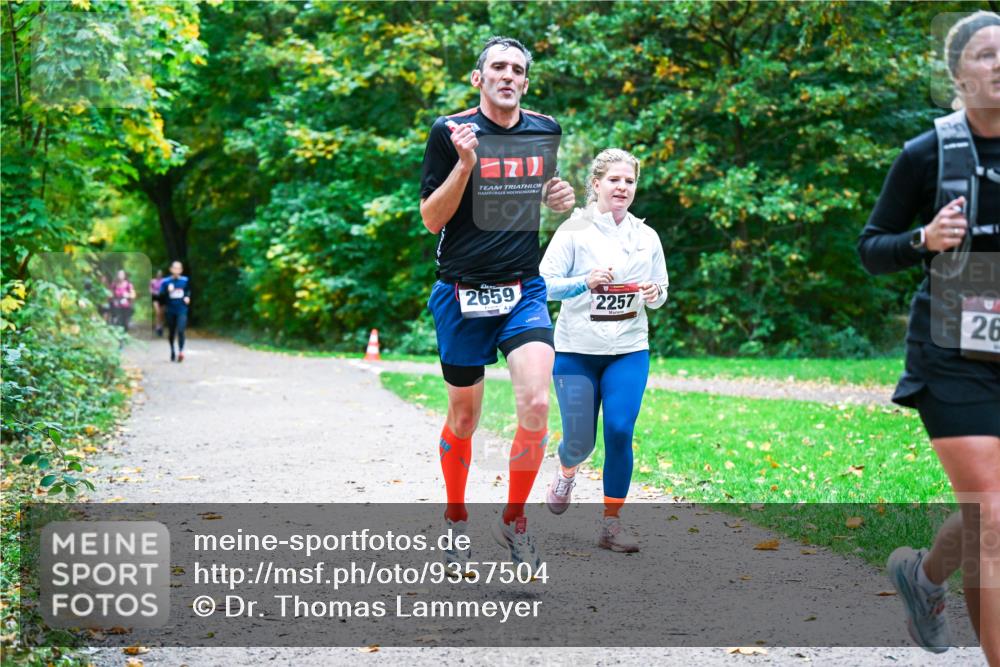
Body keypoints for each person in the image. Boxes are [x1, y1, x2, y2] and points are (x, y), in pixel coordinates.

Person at [858, 11, 999, 663]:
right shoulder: (929, 152)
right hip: (952, 353)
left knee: (987, 514)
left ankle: (923, 577)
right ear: (957, 74)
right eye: (985, 55)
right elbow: (871, 248)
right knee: (991, 514)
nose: (999, 65)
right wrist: (923, 239)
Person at [419, 36, 575, 567]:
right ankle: (456, 518)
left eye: (517, 70)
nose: (508, 75)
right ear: (478, 78)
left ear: (525, 82)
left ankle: (514, 520)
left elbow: (541, 192)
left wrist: (560, 197)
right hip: (460, 290)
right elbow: (432, 219)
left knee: (535, 404)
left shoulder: (544, 129)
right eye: (498, 67)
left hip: (521, 289)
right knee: (464, 420)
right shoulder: (450, 131)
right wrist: (464, 164)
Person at [539, 148, 668, 553]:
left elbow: (662, 291)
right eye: (614, 180)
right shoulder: (573, 230)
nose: (623, 187)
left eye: (629, 181)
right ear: (595, 184)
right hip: (577, 350)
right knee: (580, 440)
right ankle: (565, 470)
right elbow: (542, 285)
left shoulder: (646, 236)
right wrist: (584, 282)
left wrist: (653, 292)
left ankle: (611, 524)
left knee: (618, 430)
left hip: (629, 349)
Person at [158, 261, 191, 362]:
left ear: (181, 270)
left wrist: (187, 297)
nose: (176, 270)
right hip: (170, 310)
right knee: (172, 332)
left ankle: (181, 351)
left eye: (179, 268)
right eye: (175, 268)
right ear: (171, 269)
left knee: (181, 330)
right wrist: (168, 291)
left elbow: (188, 291)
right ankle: (172, 350)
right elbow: (160, 297)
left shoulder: (185, 280)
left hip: (182, 309)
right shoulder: (165, 282)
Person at [150, 269, 165, 337]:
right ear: (156, 275)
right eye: (158, 274)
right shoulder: (153, 281)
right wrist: (154, 292)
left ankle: (161, 326)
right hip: (155, 298)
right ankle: (157, 326)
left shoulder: (164, 281)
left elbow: (166, 289)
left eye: (160, 274)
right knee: (157, 312)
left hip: (162, 298)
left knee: (162, 314)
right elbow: (150, 289)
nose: (159, 275)